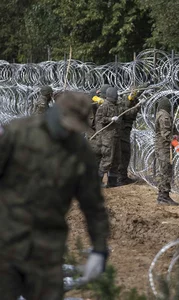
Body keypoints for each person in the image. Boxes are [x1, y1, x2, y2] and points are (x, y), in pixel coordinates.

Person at [0, 91, 110, 300]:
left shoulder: (80, 152)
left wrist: (99, 249)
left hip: (46, 250)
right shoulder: (18, 133)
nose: (69, 132)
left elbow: (94, 206)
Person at [117, 85, 147, 186]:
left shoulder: (127, 100)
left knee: (124, 154)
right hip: (122, 131)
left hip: (125, 130)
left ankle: (121, 176)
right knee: (124, 154)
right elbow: (127, 113)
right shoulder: (122, 102)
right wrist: (137, 106)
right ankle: (121, 178)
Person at [155, 96, 179, 205]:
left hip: (163, 147)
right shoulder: (164, 116)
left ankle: (162, 196)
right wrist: (176, 143)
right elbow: (167, 134)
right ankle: (163, 196)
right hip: (164, 147)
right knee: (166, 171)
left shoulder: (162, 114)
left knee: (164, 170)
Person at [95, 87, 121, 188]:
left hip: (115, 136)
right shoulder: (104, 106)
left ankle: (112, 182)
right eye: (116, 94)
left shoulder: (115, 105)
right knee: (107, 160)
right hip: (107, 137)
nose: (117, 96)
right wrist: (110, 119)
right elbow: (99, 119)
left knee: (116, 159)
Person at [86, 88, 102, 169]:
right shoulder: (89, 105)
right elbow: (91, 121)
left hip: (94, 132)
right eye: (97, 95)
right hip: (92, 133)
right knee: (95, 153)